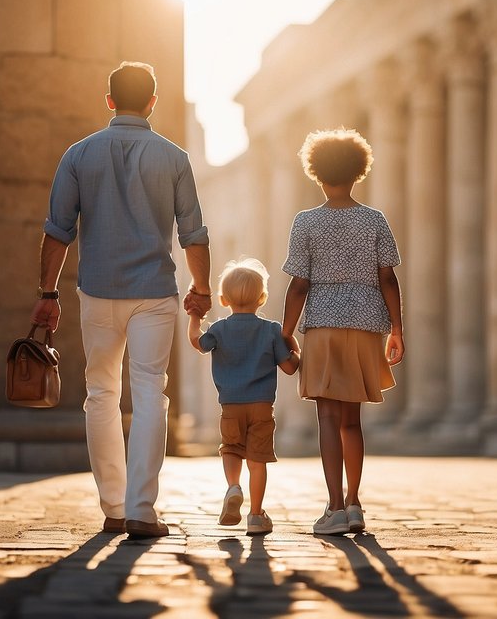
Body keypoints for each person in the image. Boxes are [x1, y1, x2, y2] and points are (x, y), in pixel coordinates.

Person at [31, 61, 212, 540]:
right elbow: (194, 235)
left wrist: (47, 294)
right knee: (151, 391)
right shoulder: (174, 158)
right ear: (153, 102)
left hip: (97, 291)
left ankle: (112, 506)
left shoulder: (78, 154)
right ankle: (141, 509)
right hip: (154, 292)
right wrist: (203, 288)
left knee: (100, 393)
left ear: (108, 100)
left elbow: (57, 233)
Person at [280, 128, 405, 536]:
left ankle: (333, 505)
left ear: (316, 174)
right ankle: (354, 504)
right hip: (367, 325)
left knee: (328, 419)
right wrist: (396, 329)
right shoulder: (374, 220)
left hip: (323, 327)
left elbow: (298, 284)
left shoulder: (306, 222)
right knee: (352, 421)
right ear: (359, 172)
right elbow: (388, 279)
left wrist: (286, 331)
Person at [187, 259, 300, 536]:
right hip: (262, 406)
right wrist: (294, 347)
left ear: (224, 300)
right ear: (262, 298)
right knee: (257, 459)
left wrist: (195, 318)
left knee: (231, 448)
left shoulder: (219, 329)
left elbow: (197, 342)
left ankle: (233, 487)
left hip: (230, 406)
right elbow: (289, 367)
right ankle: (256, 514)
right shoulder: (272, 330)